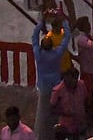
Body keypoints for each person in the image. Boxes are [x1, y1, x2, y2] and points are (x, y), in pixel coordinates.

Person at [33, 12, 71, 140]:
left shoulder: (38, 55)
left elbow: (34, 37)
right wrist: (63, 21)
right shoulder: (56, 54)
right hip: (56, 85)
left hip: (44, 87)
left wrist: (42, 21)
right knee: (56, 110)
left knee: (42, 113)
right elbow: (67, 38)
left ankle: (42, 135)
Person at [74, 16, 93, 118]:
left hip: (92, 68)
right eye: (87, 24)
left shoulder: (87, 36)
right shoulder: (81, 38)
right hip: (88, 69)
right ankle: (88, 114)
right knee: (88, 92)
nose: (89, 26)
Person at [51, 68, 87, 140]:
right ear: (66, 77)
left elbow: (86, 101)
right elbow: (52, 108)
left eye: (75, 78)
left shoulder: (81, 85)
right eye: (71, 78)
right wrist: (66, 113)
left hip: (80, 123)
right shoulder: (58, 90)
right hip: (65, 125)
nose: (74, 81)